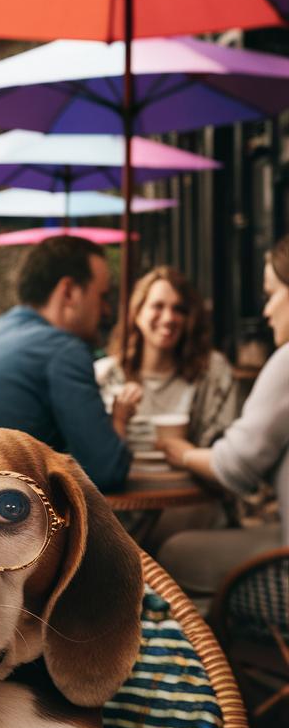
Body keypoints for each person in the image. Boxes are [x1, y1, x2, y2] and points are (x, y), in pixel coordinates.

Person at [0, 237, 130, 493]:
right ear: (69, 291)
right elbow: (107, 472)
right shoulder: (62, 350)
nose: (106, 310)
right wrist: (120, 418)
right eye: (102, 296)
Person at [156, 235, 289, 607]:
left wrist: (180, 452)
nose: (266, 311)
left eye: (272, 294)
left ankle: (216, 663)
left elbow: (235, 467)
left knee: (169, 555)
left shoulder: (287, 361)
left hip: (283, 576)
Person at [95, 265, 239, 451]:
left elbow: (224, 452)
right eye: (158, 306)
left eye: (179, 309)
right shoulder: (104, 375)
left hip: (189, 480)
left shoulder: (212, 373)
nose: (169, 318)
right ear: (137, 312)